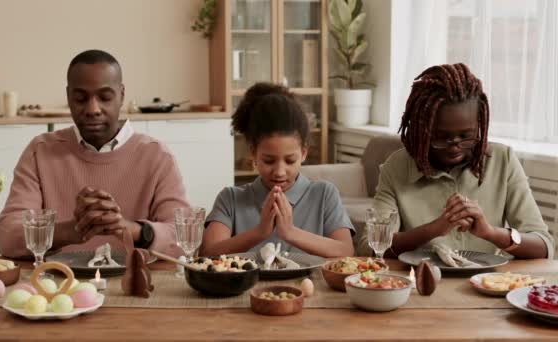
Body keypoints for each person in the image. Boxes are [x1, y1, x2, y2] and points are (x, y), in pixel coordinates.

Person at [0, 49, 188, 258]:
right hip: (61, 284)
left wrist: (131, 230)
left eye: (105, 97)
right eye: (80, 98)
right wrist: (71, 230)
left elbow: (184, 238)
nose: (93, 109)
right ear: (68, 97)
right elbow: (8, 236)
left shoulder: (156, 156)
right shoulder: (40, 151)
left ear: (121, 95)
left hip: (135, 283)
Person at [358, 63, 554, 259]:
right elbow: (369, 246)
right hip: (421, 283)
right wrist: (435, 229)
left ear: (480, 127)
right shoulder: (397, 167)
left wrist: (490, 233)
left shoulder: (503, 160)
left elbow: (544, 246)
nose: (455, 146)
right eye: (441, 137)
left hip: (486, 284)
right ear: (422, 130)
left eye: (466, 136)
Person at [201, 83, 354, 258]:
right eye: (269, 160)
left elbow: (346, 251)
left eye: (290, 160)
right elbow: (206, 254)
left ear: (304, 153)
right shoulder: (230, 199)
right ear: (253, 153)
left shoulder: (324, 195)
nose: (280, 171)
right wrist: (259, 232)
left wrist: (290, 232)